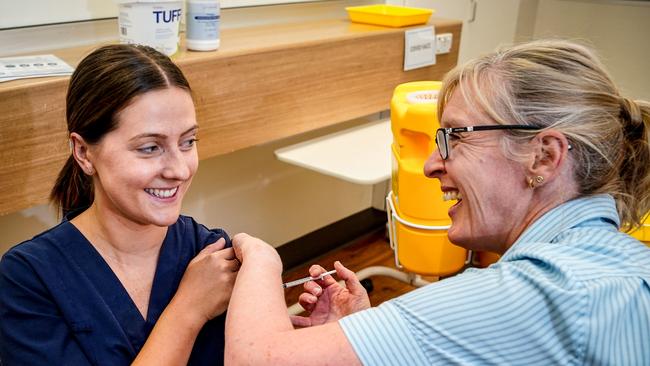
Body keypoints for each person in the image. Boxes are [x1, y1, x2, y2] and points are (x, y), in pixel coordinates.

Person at [225, 39, 650, 365]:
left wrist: (262, 260)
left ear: (544, 156)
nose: (431, 165)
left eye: (454, 138)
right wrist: (366, 335)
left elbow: (258, 359)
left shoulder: (534, 293)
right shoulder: (620, 264)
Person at [0, 44, 239, 365]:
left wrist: (317, 326)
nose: (180, 170)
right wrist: (188, 309)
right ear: (84, 153)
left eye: (188, 142)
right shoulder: (28, 279)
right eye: (150, 147)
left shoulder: (210, 253)